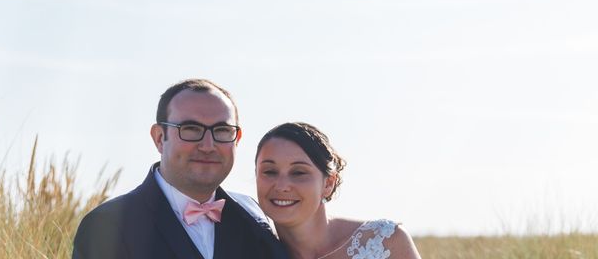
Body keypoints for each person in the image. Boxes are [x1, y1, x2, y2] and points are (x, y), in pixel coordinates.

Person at [73, 78, 288, 259]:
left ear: (237, 139)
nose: (207, 146)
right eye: (191, 129)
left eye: (222, 130)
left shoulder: (253, 215)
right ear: (159, 138)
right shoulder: (106, 226)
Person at [255, 122, 422, 259]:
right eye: (270, 172)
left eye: (298, 172)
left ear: (328, 183)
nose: (282, 186)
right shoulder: (249, 252)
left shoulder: (385, 242)